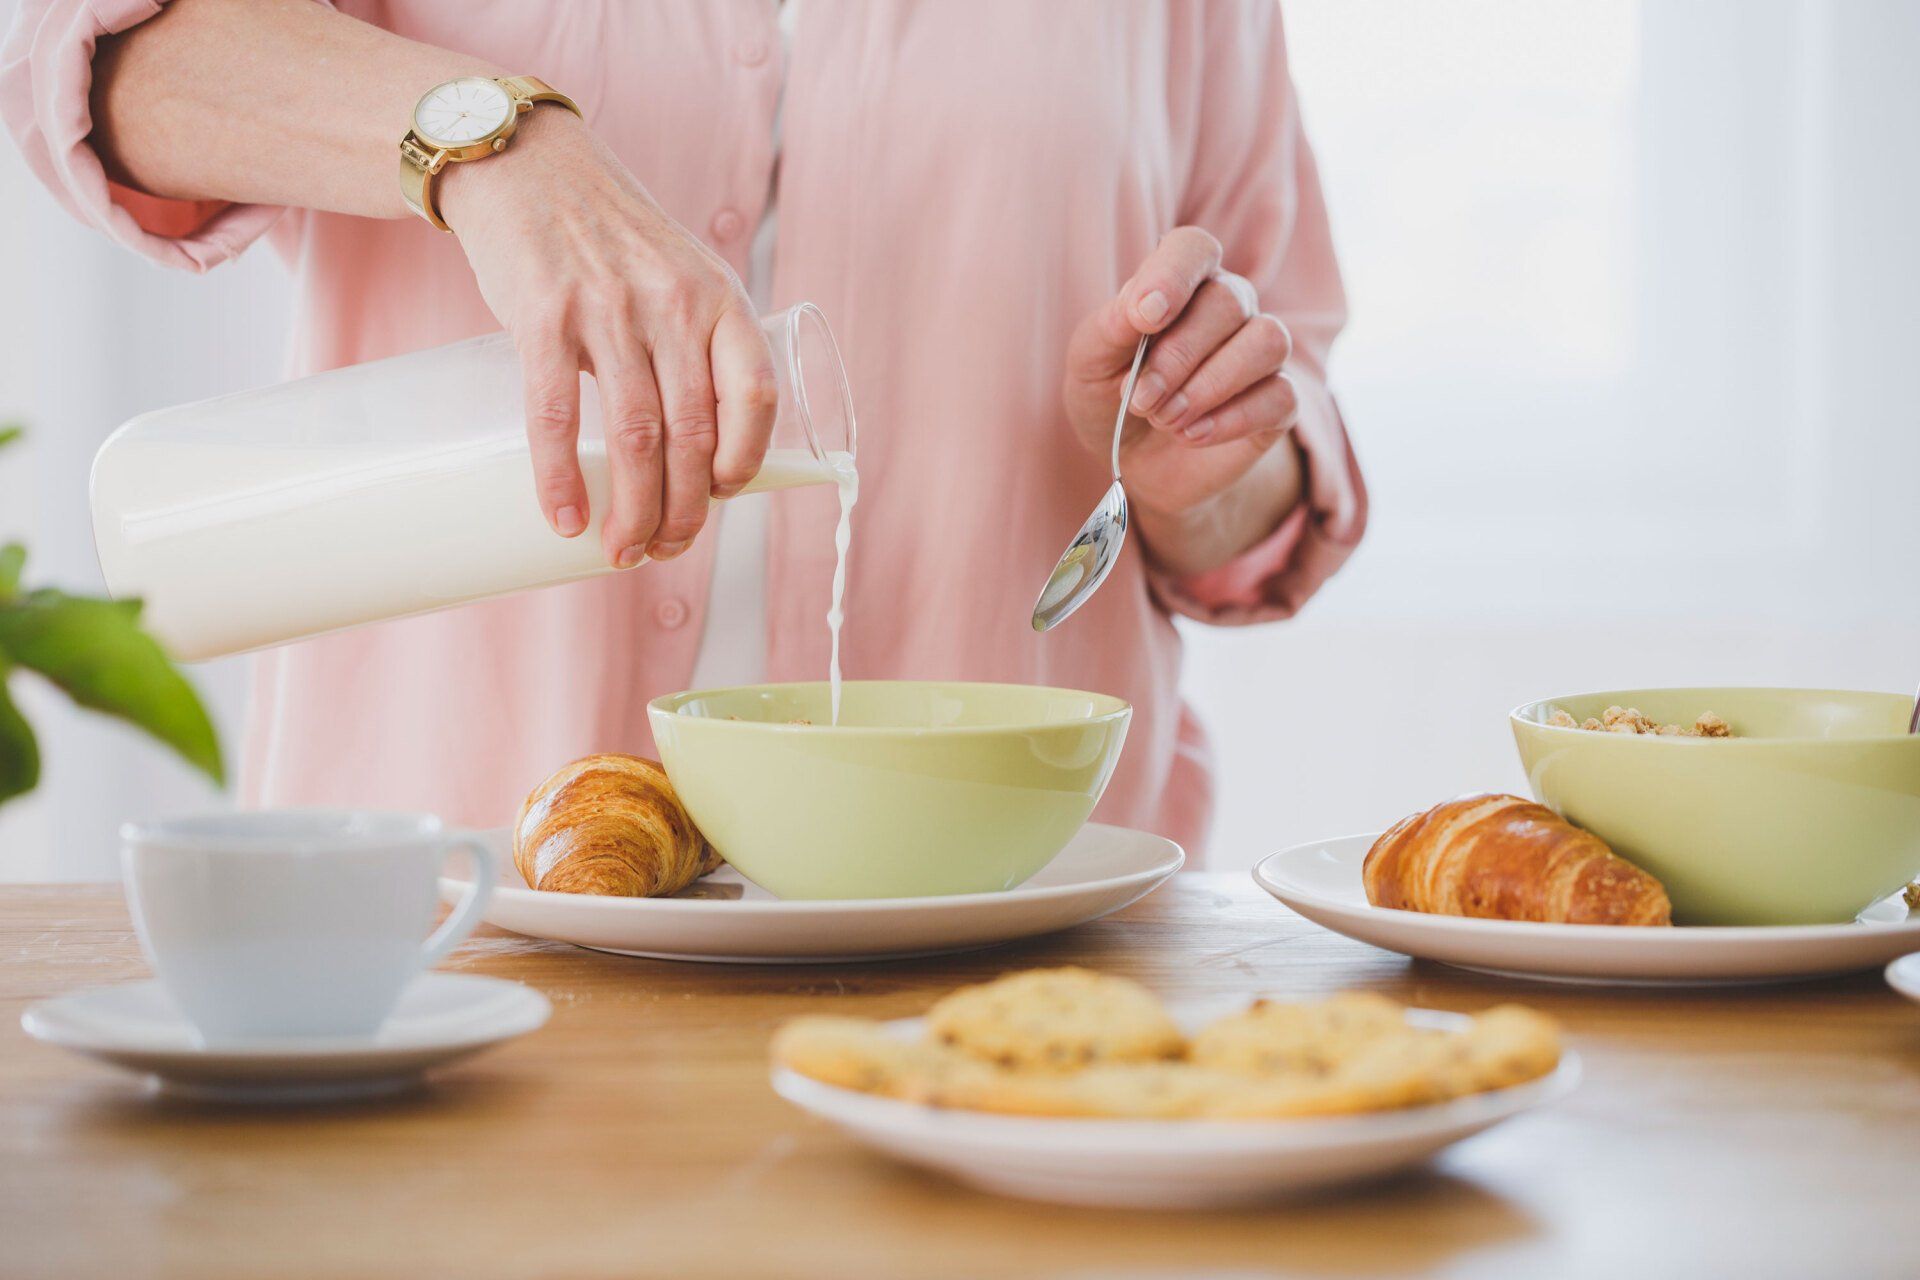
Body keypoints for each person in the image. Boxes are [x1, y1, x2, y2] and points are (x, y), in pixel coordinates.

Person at [1, 0, 1365, 858]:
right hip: (443, 899)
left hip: (991, 920)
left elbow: (1263, 467)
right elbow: (105, 58)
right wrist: (488, 144)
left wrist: (1201, 458)